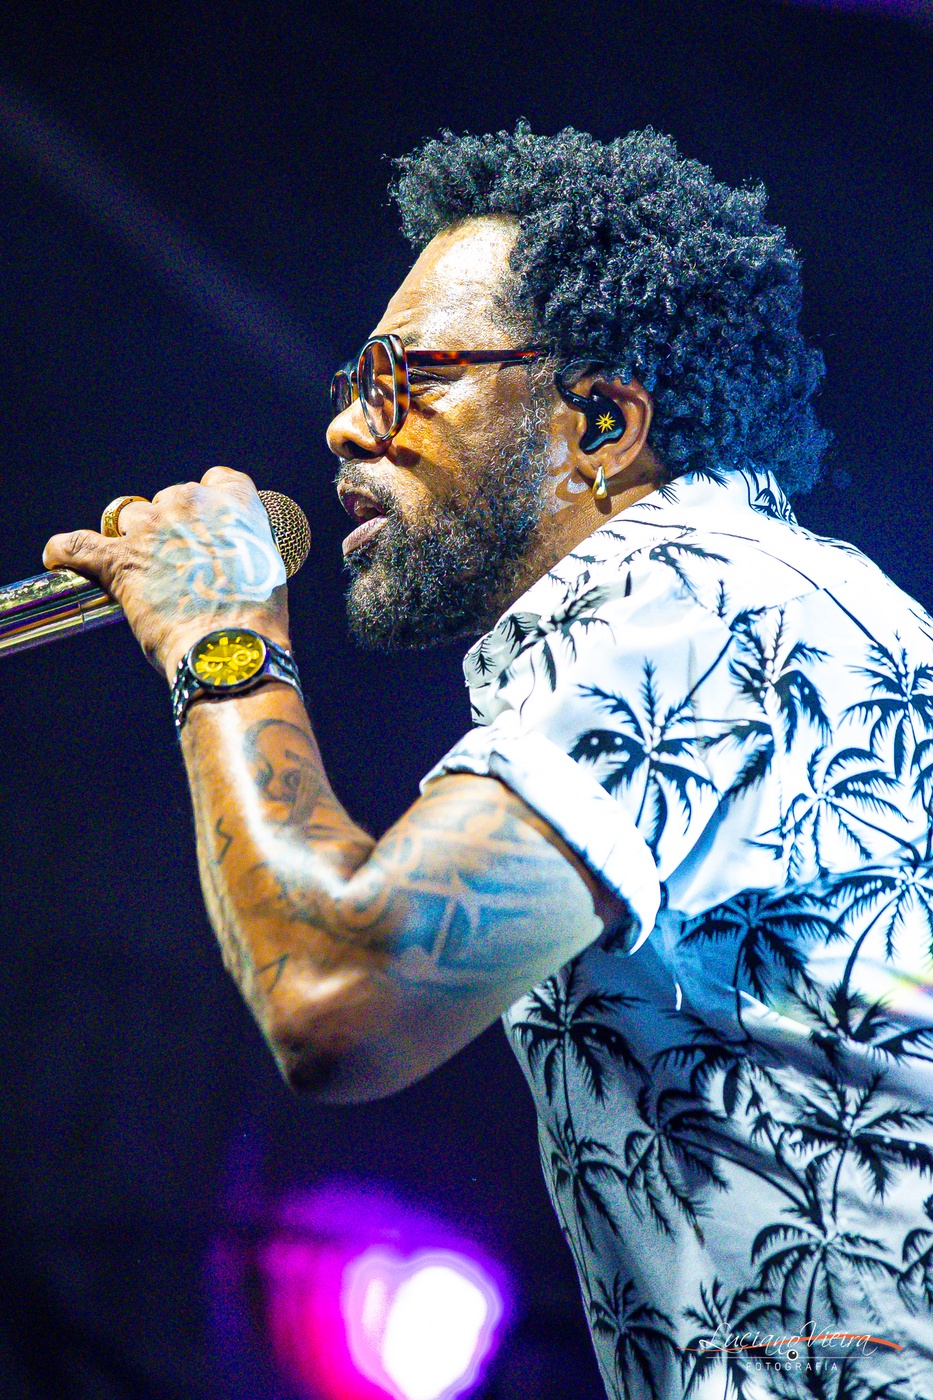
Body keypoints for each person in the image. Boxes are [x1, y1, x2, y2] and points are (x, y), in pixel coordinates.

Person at [44, 124, 933, 1399]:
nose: (345, 424)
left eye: (403, 375)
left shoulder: (700, 595)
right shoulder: (764, 602)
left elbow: (338, 989)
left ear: (603, 423)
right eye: (352, 378)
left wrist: (219, 634)